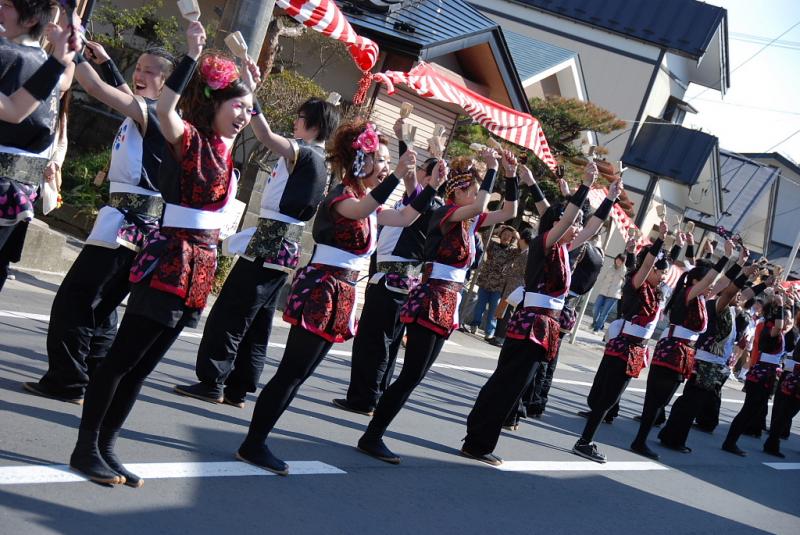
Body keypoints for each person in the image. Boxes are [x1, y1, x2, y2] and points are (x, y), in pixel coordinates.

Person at [69, 21, 252, 486]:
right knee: (122, 360)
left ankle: (108, 446)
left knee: (143, 368)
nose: (245, 116)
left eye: (249, 110)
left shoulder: (226, 149)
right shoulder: (187, 138)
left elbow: (244, 106)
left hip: (199, 270)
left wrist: (247, 75)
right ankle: (85, 448)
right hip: (170, 259)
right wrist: (191, 54)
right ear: (214, 104)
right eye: (238, 107)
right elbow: (166, 106)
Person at [236, 120, 443, 476]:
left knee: (300, 374)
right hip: (323, 288)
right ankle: (253, 443)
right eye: (379, 160)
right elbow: (362, 211)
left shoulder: (367, 202)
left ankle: (256, 441)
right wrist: (398, 174)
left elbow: (406, 217)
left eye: (385, 161)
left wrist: (432, 187)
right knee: (291, 372)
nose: (384, 167)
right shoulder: (342, 196)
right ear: (361, 160)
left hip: (341, 292)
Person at [24, 41, 176, 404]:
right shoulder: (151, 111)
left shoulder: (153, 112)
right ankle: (91, 375)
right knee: (101, 308)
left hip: (127, 227)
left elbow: (94, 89)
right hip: (131, 226)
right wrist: (108, 63)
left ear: (167, 83)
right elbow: (122, 94)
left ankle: (68, 380)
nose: (140, 74)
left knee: (75, 301)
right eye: (138, 67)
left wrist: (73, 48)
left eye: (150, 71)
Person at [174, 90, 340, 408]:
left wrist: (252, 94)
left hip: (270, 243)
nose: (295, 122)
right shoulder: (319, 160)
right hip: (280, 245)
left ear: (315, 126)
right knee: (258, 320)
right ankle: (239, 386)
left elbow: (264, 135)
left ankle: (212, 380)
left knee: (231, 313)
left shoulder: (304, 153)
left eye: (300, 118)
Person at [352, 149, 517, 465]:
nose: (477, 197)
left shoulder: (470, 222)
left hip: (449, 301)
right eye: (473, 190)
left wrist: (509, 176)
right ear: (458, 192)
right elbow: (480, 205)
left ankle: (373, 434)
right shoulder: (445, 213)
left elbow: (509, 211)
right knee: (410, 374)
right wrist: (493, 169)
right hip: (432, 298)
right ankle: (372, 435)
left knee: (415, 375)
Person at [460, 163, 614, 465]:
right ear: (557, 223)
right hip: (530, 324)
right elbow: (567, 218)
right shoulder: (544, 244)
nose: (578, 227)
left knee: (515, 386)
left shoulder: (565, 249)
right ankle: (477, 442)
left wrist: (611, 198)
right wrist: (584, 185)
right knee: (506, 384)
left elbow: (592, 227)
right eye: (572, 222)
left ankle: (480, 438)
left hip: (544, 327)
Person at [333, 117, 444, 417]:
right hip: (389, 279)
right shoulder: (415, 202)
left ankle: (365, 398)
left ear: (429, 176)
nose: (414, 172)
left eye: (421, 170)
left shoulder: (429, 203)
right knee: (384, 342)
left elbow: (409, 182)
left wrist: (406, 143)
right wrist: (403, 138)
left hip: (395, 281)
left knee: (377, 342)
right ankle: (372, 395)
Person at [627, 240, 741, 460]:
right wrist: (726, 257)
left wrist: (740, 265)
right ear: (696, 281)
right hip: (673, 351)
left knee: (661, 401)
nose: (711, 287)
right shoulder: (689, 294)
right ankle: (639, 441)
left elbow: (722, 284)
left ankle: (641, 440)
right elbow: (711, 280)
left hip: (683, 353)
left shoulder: (702, 299)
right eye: (707, 282)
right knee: (656, 400)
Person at [568, 221, 670, 463]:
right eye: (660, 271)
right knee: (607, 398)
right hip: (625, 347)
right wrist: (661, 239)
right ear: (650, 269)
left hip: (634, 348)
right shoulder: (638, 284)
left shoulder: (652, 290)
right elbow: (644, 265)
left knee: (609, 399)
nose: (663, 276)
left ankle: (586, 440)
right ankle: (584, 442)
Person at [1, 1, 79, 285]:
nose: (0, 9)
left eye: (7, 5)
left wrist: (64, 51)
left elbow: (15, 110)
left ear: (31, 19)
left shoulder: (15, 55)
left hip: (13, 190)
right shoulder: (40, 63)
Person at [722, 292, 786, 456]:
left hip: (766, 372)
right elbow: (779, 327)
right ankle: (730, 442)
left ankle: (732, 441)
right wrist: (780, 306)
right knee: (748, 410)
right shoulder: (768, 328)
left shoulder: (769, 327)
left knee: (753, 410)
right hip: (762, 372)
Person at [463, 225, 519, 342]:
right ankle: (475, 325)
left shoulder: (512, 252)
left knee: (494, 310)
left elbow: (522, 249)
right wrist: (497, 230)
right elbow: (485, 236)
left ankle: (489, 332)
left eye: (509, 236)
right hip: (485, 281)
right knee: (480, 306)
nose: (506, 237)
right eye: (504, 234)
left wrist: (517, 236)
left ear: (511, 238)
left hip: (499, 285)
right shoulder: (493, 245)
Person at [764, 310, 800, 457]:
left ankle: (772, 442)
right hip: (796, 377)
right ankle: (772, 443)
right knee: (786, 412)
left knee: (786, 412)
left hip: (793, 375)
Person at [491, 227, 533, 347]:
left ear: (523, 239)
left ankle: (500, 338)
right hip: (512, 286)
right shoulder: (524, 251)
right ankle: (498, 336)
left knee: (507, 313)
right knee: (504, 312)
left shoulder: (527, 253)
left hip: (516, 287)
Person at [592, 254, 626, 332]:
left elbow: (624, 275)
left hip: (613, 295)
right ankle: (595, 323)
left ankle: (596, 329)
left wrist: (623, 265)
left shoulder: (623, 270)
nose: (618, 261)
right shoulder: (610, 268)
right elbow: (603, 277)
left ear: (623, 262)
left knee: (604, 313)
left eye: (621, 260)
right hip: (603, 292)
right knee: (595, 308)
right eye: (618, 259)